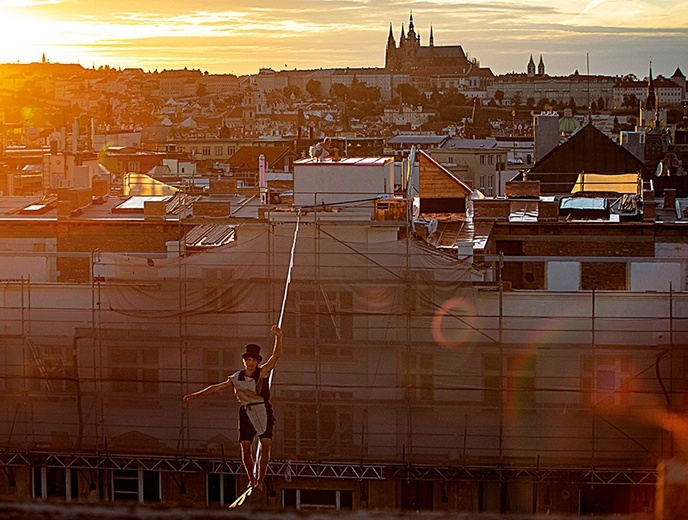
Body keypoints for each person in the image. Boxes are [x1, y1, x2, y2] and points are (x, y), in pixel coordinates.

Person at [184, 325, 282, 491]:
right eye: (248, 360)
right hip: (246, 411)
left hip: (262, 409)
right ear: (244, 361)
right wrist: (195, 395)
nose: (250, 363)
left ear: (257, 362)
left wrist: (278, 337)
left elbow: (276, 356)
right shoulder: (237, 377)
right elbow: (216, 387)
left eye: (253, 360)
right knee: (245, 446)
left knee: (265, 444)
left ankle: (260, 480)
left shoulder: (263, 372)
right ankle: (251, 479)